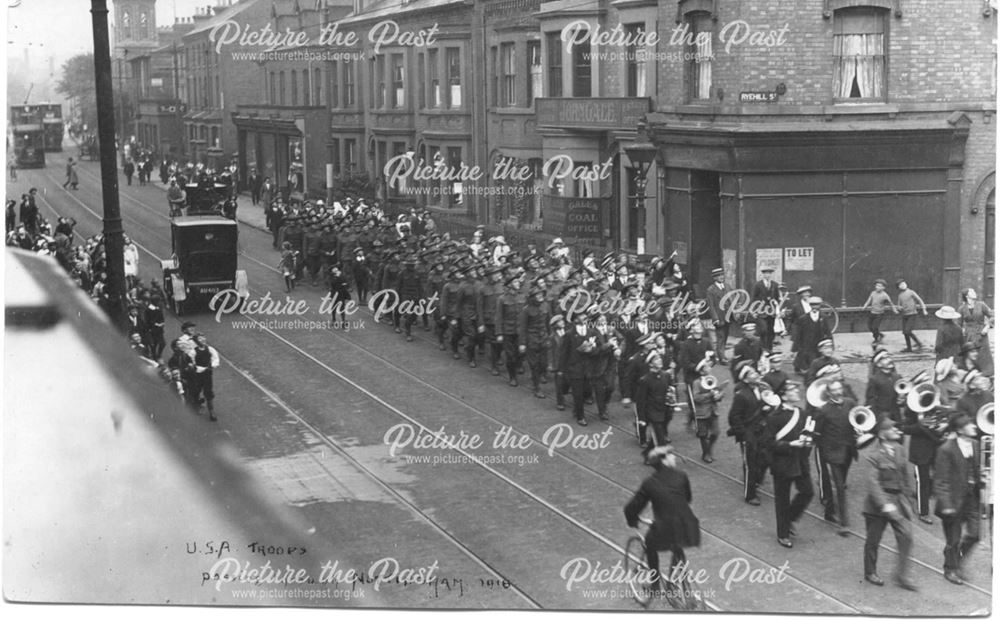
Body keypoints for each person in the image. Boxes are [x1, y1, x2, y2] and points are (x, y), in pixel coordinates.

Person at [623, 445, 701, 593]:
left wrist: (632, 519)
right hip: (689, 525)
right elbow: (688, 498)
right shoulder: (682, 476)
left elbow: (633, 506)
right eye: (670, 455)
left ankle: (655, 586)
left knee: (650, 544)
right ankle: (680, 580)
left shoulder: (650, 483)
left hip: (665, 527)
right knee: (677, 543)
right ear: (664, 461)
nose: (674, 457)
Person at [862, 418, 917, 590]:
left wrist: (909, 497)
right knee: (873, 540)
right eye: (891, 428)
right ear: (882, 434)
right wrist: (885, 505)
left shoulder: (900, 449)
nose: (896, 430)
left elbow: (904, 476)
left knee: (906, 537)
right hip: (878, 505)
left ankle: (901, 576)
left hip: (898, 501)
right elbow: (873, 483)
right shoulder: (873, 454)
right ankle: (870, 571)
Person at [764, 381, 815, 548]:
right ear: (784, 395)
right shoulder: (774, 417)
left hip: (800, 461)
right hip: (782, 463)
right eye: (793, 390)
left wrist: (808, 440)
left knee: (807, 492)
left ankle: (790, 518)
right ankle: (783, 534)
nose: (797, 391)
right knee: (782, 500)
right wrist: (790, 445)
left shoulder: (802, 413)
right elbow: (768, 443)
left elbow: (806, 433)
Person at [934, 412, 983, 585]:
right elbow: (940, 480)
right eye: (970, 425)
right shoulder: (946, 449)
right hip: (953, 502)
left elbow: (977, 471)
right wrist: (946, 504)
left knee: (976, 535)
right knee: (953, 540)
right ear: (960, 430)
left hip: (972, 499)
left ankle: (957, 561)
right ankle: (950, 569)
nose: (975, 427)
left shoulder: (976, 445)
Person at [814, 379, 856, 534]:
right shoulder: (823, 410)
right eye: (835, 390)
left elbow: (855, 420)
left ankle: (829, 511)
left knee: (842, 482)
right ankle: (844, 523)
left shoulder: (850, 403)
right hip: (833, 453)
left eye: (840, 389)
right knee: (840, 486)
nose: (839, 392)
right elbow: (817, 434)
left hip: (848, 451)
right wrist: (826, 452)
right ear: (829, 393)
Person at [690, 359, 723, 462]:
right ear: (701, 371)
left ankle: (709, 450)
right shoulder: (696, 382)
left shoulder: (713, 379)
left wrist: (719, 396)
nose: (709, 368)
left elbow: (719, 392)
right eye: (707, 367)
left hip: (713, 410)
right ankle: (706, 453)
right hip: (702, 412)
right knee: (703, 434)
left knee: (716, 432)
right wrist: (709, 395)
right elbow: (696, 397)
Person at [958, 288, 993, 376]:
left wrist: (987, 326)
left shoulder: (981, 305)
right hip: (968, 335)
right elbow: (959, 323)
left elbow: (992, 316)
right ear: (967, 296)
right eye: (972, 292)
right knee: (971, 353)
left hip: (981, 334)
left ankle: (987, 373)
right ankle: (972, 373)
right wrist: (962, 331)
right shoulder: (962, 308)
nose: (975, 293)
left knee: (983, 353)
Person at [794, 296, 832, 375]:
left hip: (819, 342)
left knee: (819, 360)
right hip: (807, 343)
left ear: (820, 306)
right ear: (810, 306)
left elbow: (828, 331)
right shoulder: (803, 318)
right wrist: (797, 346)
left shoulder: (824, 317)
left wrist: (831, 343)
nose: (814, 307)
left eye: (817, 305)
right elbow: (799, 334)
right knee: (808, 360)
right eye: (812, 305)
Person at [188, 334, 220, 421]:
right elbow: (192, 363)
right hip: (197, 374)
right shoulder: (193, 352)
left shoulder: (210, 349)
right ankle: (196, 404)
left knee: (208, 392)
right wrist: (198, 368)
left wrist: (211, 366)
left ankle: (212, 411)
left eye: (203, 338)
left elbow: (216, 359)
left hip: (207, 374)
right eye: (200, 339)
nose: (202, 340)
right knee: (196, 390)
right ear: (196, 341)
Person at [866, 350, 903, 423]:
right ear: (879, 364)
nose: (889, 360)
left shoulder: (898, 377)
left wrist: (902, 399)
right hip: (883, 415)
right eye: (885, 359)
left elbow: (902, 394)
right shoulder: (874, 379)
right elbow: (871, 400)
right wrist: (876, 417)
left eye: (889, 357)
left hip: (896, 414)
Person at [750, 266, 781, 352]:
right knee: (763, 329)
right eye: (766, 273)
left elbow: (777, 298)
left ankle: (769, 349)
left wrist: (777, 307)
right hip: (760, 311)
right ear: (763, 274)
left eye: (769, 273)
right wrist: (753, 310)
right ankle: (762, 348)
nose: (767, 275)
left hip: (771, 312)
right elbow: (753, 298)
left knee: (771, 331)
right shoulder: (758, 285)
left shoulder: (775, 285)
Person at [704, 267, 731, 363]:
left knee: (726, 335)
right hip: (719, 316)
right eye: (718, 276)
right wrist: (715, 318)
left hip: (728, 316)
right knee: (720, 336)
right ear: (714, 278)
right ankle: (721, 357)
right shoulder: (711, 290)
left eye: (722, 275)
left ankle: (722, 353)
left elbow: (732, 299)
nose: (721, 277)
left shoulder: (727, 286)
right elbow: (711, 305)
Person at [896, 280, 928, 352]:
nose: (903, 285)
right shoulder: (900, 295)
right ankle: (909, 348)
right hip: (904, 315)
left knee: (907, 331)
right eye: (901, 285)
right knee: (905, 332)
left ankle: (919, 344)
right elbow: (898, 305)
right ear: (899, 287)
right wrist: (899, 308)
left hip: (912, 314)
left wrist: (924, 309)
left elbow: (920, 300)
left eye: (904, 283)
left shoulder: (911, 292)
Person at [861, 278, 894, 344]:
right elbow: (869, 300)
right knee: (870, 327)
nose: (877, 287)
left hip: (879, 314)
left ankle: (876, 339)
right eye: (876, 285)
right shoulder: (873, 293)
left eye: (879, 286)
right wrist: (864, 306)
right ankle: (880, 335)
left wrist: (894, 310)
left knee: (875, 327)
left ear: (883, 287)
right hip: (872, 312)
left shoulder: (885, 295)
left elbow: (891, 303)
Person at [328, 265, 352, 329]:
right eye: (334, 269)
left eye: (336, 269)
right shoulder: (331, 277)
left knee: (342, 308)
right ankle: (333, 319)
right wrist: (340, 280)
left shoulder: (342, 275)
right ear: (332, 271)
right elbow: (333, 284)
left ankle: (343, 321)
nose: (336, 270)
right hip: (334, 294)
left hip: (341, 294)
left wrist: (344, 283)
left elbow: (346, 282)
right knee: (333, 308)